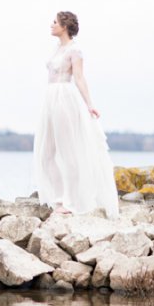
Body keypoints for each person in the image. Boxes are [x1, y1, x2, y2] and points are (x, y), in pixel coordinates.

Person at [33, 11, 119, 218]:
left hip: (64, 97)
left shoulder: (75, 50)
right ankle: (59, 198)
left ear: (64, 26)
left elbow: (79, 78)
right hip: (50, 98)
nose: (51, 25)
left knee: (67, 151)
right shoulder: (57, 48)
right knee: (46, 153)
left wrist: (90, 104)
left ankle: (71, 202)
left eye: (55, 22)